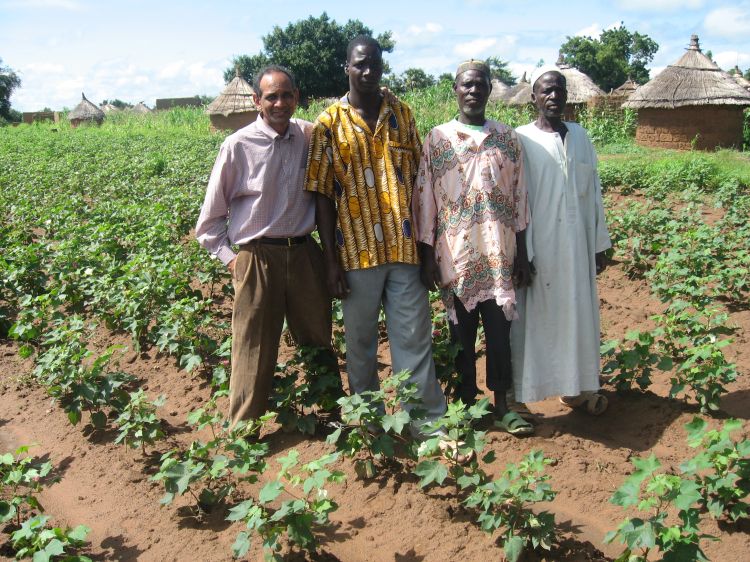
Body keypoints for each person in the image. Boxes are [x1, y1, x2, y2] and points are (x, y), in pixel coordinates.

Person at [305, 35, 447, 435]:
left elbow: (421, 183)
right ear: (346, 69)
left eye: (375, 65)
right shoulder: (328, 124)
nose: (368, 72)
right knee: (361, 345)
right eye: (359, 65)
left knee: (414, 340)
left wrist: (428, 250)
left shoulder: (402, 114)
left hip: (404, 249)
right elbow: (321, 195)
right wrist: (331, 261)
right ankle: (370, 425)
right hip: (356, 253)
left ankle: (426, 427)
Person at [196, 65, 341, 426]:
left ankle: (330, 416)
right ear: (257, 101)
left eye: (286, 95)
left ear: (296, 98)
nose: (279, 103)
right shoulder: (237, 146)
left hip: (305, 252)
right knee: (252, 346)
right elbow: (210, 222)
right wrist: (234, 262)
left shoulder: (311, 135)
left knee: (317, 337)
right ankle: (245, 429)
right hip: (257, 257)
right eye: (271, 96)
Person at [412, 60, 533, 436]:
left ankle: (502, 406)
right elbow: (424, 200)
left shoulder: (507, 138)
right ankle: (464, 406)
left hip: (499, 254)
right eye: (466, 84)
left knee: (499, 336)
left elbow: (520, 198)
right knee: (460, 337)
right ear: (455, 89)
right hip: (456, 256)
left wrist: (524, 255)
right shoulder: (438, 139)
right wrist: (425, 256)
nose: (473, 90)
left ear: (489, 89)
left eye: (480, 84)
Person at [511, 65, 612, 415]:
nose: (554, 96)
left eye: (560, 90)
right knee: (533, 322)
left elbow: (593, 193)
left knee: (577, 317)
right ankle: (520, 395)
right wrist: (522, 254)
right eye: (546, 90)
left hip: (578, 248)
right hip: (541, 249)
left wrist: (600, 242)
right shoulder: (520, 138)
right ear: (534, 97)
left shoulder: (582, 137)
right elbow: (516, 200)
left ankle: (576, 390)